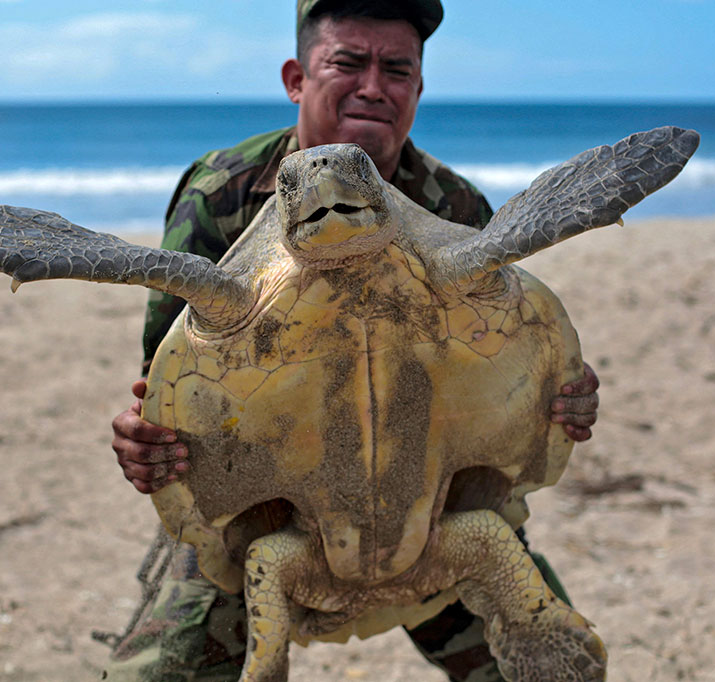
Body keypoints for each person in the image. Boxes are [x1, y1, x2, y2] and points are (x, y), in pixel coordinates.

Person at [103, 1, 599, 680]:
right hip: (271, 517)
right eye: (347, 61)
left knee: (547, 666)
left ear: (418, 89)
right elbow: (164, 378)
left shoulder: (457, 210)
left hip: (432, 506)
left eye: (396, 68)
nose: (373, 85)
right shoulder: (222, 191)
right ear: (296, 78)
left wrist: (554, 398)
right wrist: (145, 436)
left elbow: (503, 356)